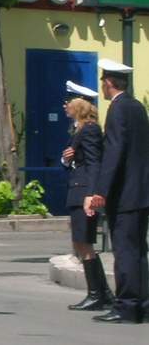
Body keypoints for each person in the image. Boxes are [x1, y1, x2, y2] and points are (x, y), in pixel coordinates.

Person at [86, 58, 149, 324]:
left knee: (124, 252)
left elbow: (114, 152)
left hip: (125, 195)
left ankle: (126, 306)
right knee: (138, 252)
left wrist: (101, 190)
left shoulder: (118, 109)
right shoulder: (137, 107)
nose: (102, 87)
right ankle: (142, 307)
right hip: (141, 192)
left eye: (103, 82)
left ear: (109, 83)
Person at [60, 81, 114, 310]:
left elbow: (94, 163)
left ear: (80, 104)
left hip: (83, 190)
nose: (65, 105)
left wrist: (91, 194)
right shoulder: (79, 129)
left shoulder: (89, 129)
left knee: (84, 243)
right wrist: (65, 159)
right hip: (77, 188)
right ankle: (103, 294)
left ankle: (96, 295)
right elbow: (74, 161)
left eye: (69, 100)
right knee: (80, 242)